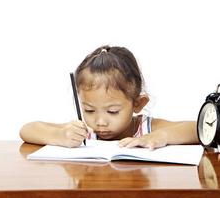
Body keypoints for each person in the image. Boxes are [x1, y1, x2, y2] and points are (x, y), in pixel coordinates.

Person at [19, 45, 198, 150]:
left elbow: (198, 130)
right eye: (89, 110)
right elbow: (27, 130)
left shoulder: (147, 129)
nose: (100, 122)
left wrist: (161, 137)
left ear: (137, 104)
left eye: (112, 111)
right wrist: (59, 135)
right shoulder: (84, 132)